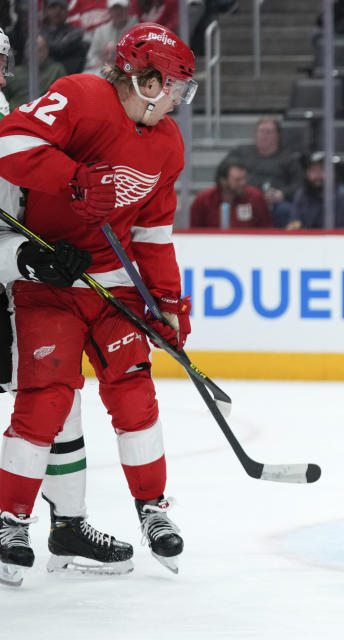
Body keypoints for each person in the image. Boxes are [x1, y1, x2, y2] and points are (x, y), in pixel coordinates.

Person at [0, 22, 197, 584]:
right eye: (178, 86)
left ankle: (153, 509)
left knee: (135, 395)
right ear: (151, 81)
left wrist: (166, 303)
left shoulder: (168, 143)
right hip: (52, 286)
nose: (181, 99)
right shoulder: (83, 95)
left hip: (117, 292)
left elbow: (154, 232)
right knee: (46, 399)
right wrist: (75, 181)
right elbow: (10, 144)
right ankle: (10, 519)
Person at [0, 26, 135, 582]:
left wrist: (29, 256)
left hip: (10, 285)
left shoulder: (9, 113)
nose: (4, 72)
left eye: (4, 61)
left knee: (57, 399)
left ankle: (68, 525)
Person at [224, 117, 302, 228]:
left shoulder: (289, 158)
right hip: (245, 201)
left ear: (278, 135)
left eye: (269, 132)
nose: (264, 135)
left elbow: (298, 184)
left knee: (286, 210)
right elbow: (224, 174)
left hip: (276, 205)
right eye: (261, 131)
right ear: (255, 134)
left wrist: (282, 194)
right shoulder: (240, 153)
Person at [190, 159, 273, 228]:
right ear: (223, 181)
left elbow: (266, 230)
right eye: (237, 180)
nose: (243, 183)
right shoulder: (203, 200)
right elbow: (194, 233)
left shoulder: (255, 197)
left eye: (244, 178)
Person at [288, 151, 344, 229]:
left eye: (321, 169)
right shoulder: (302, 194)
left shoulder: (342, 196)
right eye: (312, 170)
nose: (317, 175)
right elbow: (295, 222)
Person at [2, 36, 67, 111]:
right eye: (31, 50)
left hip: (42, 115)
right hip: (15, 114)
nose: (35, 53)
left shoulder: (56, 70)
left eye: (40, 50)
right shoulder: (14, 72)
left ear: (46, 51)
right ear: (25, 51)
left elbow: (63, 97)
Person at [82, 0, 138, 75]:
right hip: (104, 71)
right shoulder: (101, 31)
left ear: (128, 9)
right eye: (115, 8)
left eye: (122, 8)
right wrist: (99, 62)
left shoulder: (137, 30)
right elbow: (92, 56)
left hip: (129, 73)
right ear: (109, 11)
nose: (118, 12)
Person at [41, 0, 89, 75]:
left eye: (62, 8)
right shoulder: (39, 33)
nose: (57, 11)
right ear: (47, 11)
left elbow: (61, 47)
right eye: (53, 7)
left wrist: (43, 46)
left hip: (67, 75)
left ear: (67, 12)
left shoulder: (75, 32)